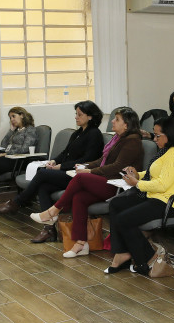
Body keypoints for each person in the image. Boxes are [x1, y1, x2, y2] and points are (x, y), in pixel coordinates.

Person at [30, 107, 144, 256]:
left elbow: (117, 168)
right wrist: (86, 166)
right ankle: (81, 244)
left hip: (118, 186)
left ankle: (53, 211)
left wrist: (89, 171)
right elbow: (102, 161)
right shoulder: (118, 139)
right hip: (107, 181)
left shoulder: (132, 142)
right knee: (79, 198)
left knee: (81, 178)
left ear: (126, 125)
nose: (113, 121)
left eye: (117, 119)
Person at [0, 101, 104, 242]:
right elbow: (65, 153)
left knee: (42, 173)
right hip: (68, 172)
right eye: (76, 114)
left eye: (79, 114)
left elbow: (87, 159)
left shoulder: (94, 134)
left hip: (78, 175)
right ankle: (49, 230)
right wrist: (54, 161)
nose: (76, 117)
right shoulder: (77, 133)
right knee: (43, 186)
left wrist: (61, 167)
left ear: (90, 116)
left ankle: (17, 203)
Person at [104, 117, 174, 275]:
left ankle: (147, 258)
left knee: (124, 219)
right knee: (116, 204)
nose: (154, 139)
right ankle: (123, 253)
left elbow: (162, 184)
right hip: (156, 197)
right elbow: (155, 173)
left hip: (171, 203)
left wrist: (136, 184)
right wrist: (137, 175)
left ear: (169, 134)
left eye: (157, 135)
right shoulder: (168, 150)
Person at [0, 107, 37, 175]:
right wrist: (11, 131)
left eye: (13, 116)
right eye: (10, 118)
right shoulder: (15, 130)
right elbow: (3, 145)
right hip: (9, 155)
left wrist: (7, 154)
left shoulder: (30, 129)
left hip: (18, 158)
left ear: (22, 115)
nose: (12, 119)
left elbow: (25, 149)